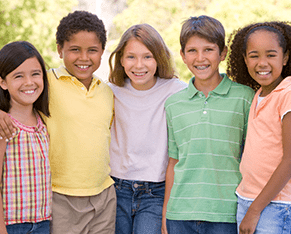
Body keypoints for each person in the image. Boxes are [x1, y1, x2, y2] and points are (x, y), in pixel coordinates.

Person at [0, 11, 116, 234]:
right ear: (59, 50)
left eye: (92, 50)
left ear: (102, 51)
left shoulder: (107, 92)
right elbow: (16, 86)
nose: (84, 57)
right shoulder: (46, 82)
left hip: (103, 195)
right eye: (74, 50)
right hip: (60, 196)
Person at [162, 15, 255, 234]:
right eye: (192, 51)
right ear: (183, 56)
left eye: (208, 50)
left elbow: (253, 156)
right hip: (180, 214)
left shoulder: (245, 98)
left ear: (222, 53)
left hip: (227, 212)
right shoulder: (174, 104)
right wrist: (166, 213)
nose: (200, 58)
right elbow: (174, 161)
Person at [108, 23, 187, 234]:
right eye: (131, 57)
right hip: (116, 188)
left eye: (147, 56)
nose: (139, 65)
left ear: (159, 58)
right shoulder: (110, 91)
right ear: (121, 59)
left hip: (156, 190)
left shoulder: (176, 90)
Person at [227, 21, 291, 234]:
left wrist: (255, 209)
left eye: (271, 55)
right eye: (254, 55)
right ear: (245, 59)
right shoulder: (259, 93)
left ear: (284, 58)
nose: (262, 63)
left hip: (275, 205)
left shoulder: (288, 95)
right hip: (247, 198)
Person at [0, 41, 51, 234]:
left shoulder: (43, 121)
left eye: (35, 74)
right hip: (12, 224)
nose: (29, 82)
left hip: (43, 221)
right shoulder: (4, 125)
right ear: (3, 82)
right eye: (18, 76)